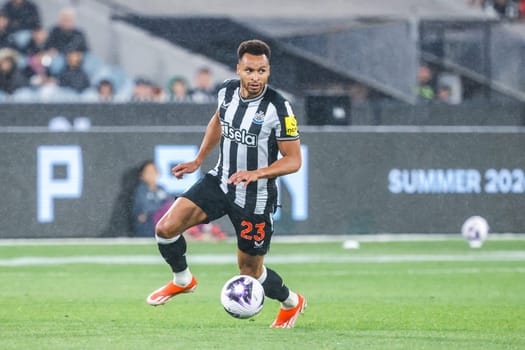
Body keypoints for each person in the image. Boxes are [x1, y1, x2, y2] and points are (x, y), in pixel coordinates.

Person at [147, 39, 306, 328]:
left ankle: (291, 302)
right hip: (220, 181)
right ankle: (182, 280)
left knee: (252, 273)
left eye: (262, 71)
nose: (255, 77)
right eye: (249, 70)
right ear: (239, 69)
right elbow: (218, 122)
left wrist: (256, 173)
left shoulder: (279, 107)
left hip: (255, 197)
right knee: (165, 229)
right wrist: (198, 160)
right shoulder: (227, 91)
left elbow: (294, 160)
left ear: (268, 71)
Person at [132, 160, 170, 237]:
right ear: (142, 176)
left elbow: (170, 206)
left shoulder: (161, 189)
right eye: (148, 172)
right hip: (148, 226)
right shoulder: (141, 190)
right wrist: (161, 211)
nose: (152, 175)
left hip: (163, 224)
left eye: (154, 171)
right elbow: (146, 209)